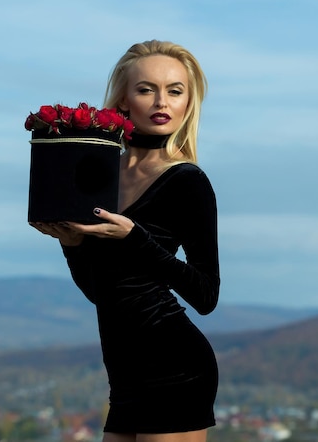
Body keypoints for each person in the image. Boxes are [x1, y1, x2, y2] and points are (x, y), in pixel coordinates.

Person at [31, 40, 220, 442]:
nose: (161, 101)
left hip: (176, 367)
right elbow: (104, 292)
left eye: (175, 89)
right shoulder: (103, 176)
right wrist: (71, 244)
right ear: (123, 98)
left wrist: (135, 237)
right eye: (146, 88)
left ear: (189, 102)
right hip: (124, 376)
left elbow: (206, 295)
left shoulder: (188, 181)